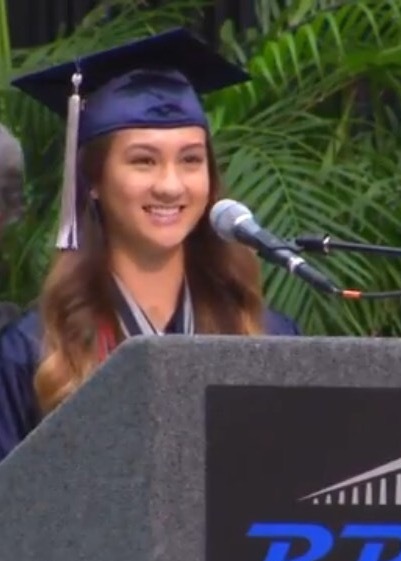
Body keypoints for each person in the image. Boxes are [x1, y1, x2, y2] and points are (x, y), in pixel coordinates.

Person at [0, 28, 299, 463]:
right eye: (144, 161)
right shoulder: (31, 353)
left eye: (191, 160)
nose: (170, 185)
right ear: (93, 180)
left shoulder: (267, 337)